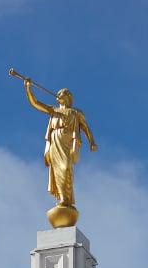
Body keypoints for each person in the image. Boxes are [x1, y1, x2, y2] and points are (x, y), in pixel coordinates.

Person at [21, 79, 97, 213]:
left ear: (67, 97)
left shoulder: (75, 112)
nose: (58, 95)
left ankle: (67, 198)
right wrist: (28, 88)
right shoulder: (53, 110)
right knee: (58, 170)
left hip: (68, 141)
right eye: (58, 94)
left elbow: (85, 127)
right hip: (55, 141)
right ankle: (63, 198)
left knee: (66, 168)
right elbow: (35, 103)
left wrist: (91, 141)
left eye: (61, 93)